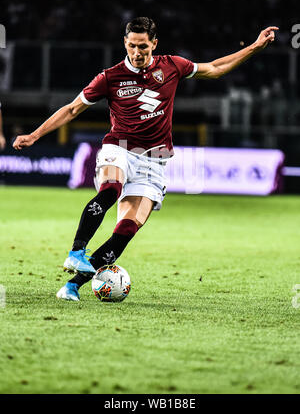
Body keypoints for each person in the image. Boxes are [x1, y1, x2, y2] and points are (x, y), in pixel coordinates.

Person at [13, 17, 278, 301]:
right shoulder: (110, 77)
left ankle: (72, 286)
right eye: (131, 46)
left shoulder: (172, 65)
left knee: (126, 229)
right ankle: (76, 251)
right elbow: (72, 109)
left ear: (154, 44)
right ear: (124, 44)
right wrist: (34, 135)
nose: (137, 53)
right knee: (111, 189)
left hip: (155, 159)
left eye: (143, 46)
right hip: (121, 147)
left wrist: (254, 47)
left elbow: (214, 69)